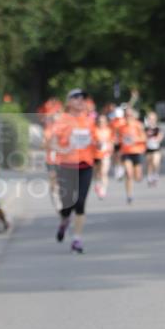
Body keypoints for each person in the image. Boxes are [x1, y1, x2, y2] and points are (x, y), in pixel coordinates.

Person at [53, 89, 98, 254]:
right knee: (67, 204)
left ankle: (77, 239)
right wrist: (62, 150)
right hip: (66, 166)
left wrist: (98, 144)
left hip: (86, 164)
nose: (81, 101)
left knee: (80, 202)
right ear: (69, 101)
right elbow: (51, 142)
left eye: (83, 98)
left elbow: (95, 140)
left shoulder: (89, 121)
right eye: (77, 98)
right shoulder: (62, 120)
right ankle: (64, 221)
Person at [118, 106, 146, 203]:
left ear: (133, 115)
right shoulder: (121, 127)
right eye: (126, 115)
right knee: (129, 174)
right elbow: (118, 138)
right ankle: (129, 195)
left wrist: (135, 140)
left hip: (137, 152)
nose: (128, 116)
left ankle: (138, 176)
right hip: (126, 153)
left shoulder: (138, 125)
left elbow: (144, 138)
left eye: (130, 115)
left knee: (137, 177)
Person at [93, 113, 114, 198]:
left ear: (106, 122)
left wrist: (110, 148)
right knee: (97, 173)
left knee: (104, 172)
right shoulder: (94, 130)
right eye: (99, 121)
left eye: (103, 121)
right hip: (95, 155)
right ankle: (98, 184)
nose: (101, 123)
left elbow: (111, 141)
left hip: (105, 154)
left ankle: (103, 190)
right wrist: (97, 144)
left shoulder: (109, 131)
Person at [144, 110, 164, 186]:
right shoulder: (145, 128)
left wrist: (157, 139)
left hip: (156, 149)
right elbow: (142, 137)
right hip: (148, 149)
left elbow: (160, 137)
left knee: (155, 162)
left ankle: (155, 174)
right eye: (150, 118)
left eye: (153, 119)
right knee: (149, 163)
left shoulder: (158, 128)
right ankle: (149, 176)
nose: (151, 120)